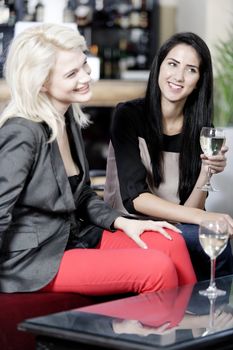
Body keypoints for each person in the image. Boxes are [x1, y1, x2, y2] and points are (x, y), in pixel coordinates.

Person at [0, 24, 197, 294]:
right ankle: (174, 332)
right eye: (72, 73)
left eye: (84, 65)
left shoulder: (66, 117)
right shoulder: (21, 132)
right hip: (35, 258)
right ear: (42, 83)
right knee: (156, 267)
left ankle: (195, 330)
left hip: (72, 237)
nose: (86, 77)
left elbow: (80, 197)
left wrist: (123, 222)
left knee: (170, 241)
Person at [104, 32, 233, 281]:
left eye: (191, 69)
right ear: (159, 66)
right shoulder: (128, 115)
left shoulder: (201, 129)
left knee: (215, 241)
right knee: (213, 239)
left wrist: (207, 170)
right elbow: (135, 199)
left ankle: (215, 315)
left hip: (176, 229)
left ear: (199, 81)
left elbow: (189, 210)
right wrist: (206, 218)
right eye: (172, 64)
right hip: (130, 225)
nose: (178, 76)